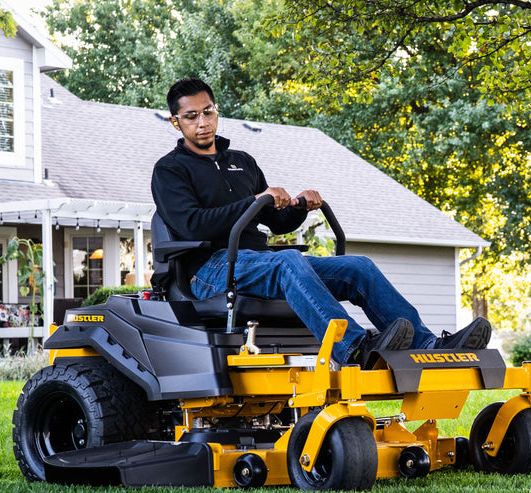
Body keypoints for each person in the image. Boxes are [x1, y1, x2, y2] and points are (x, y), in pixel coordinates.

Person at [150, 77, 490, 365]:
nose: (202, 122)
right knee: (288, 260)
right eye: (191, 116)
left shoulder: (243, 162)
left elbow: (276, 221)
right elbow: (192, 225)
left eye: (208, 112)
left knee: (358, 266)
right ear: (175, 122)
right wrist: (251, 202)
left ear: (216, 110)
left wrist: (298, 206)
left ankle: (428, 347)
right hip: (208, 269)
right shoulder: (170, 170)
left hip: (258, 261)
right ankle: (355, 350)